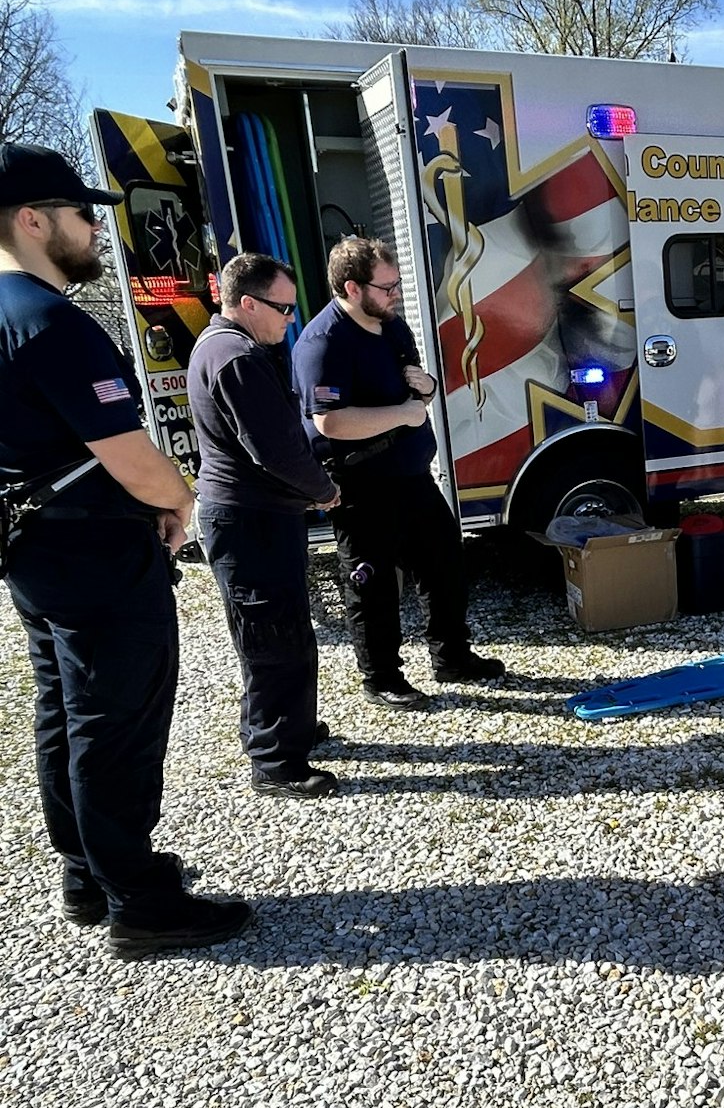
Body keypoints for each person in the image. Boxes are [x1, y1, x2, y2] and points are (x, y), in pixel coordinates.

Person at [0, 141, 249, 953]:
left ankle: (87, 873)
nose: (96, 234)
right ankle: (141, 901)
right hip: (99, 560)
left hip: (38, 555)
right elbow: (133, 458)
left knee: (66, 713)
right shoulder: (50, 324)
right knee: (116, 724)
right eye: (82, 217)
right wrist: (180, 503)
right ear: (32, 221)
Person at [291, 236, 506, 708]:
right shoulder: (322, 344)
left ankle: (452, 655)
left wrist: (427, 388)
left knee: (445, 562)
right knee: (374, 583)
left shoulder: (392, 327)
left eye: (397, 284)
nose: (397, 295)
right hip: (359, 483)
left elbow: (416, 389)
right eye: (387, 287)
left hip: (410, 473)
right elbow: (330, 421)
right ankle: (382, 677)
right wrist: (404, 414)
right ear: (352, 288)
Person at [188, 252, 340, 797]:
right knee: (271, 636)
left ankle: (287, 728)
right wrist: (325, 491)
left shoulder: (229, 345)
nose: (289, 320)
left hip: (258, 517)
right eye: (282, 309)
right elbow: (274, 450)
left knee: (281, 629)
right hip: (249, 520)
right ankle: (277, 762)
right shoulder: (237, 359)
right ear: (247, 303)